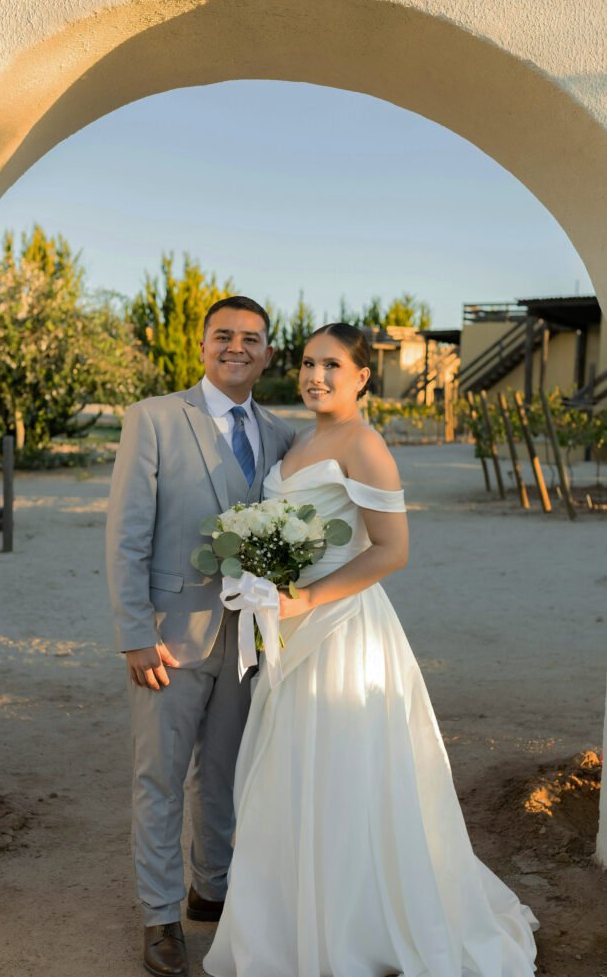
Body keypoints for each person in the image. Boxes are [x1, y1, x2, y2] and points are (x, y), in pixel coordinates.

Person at [204, 322, 539, 977]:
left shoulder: (362, 442)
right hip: (288, 636)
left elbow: (392, 550)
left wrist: (303, 598)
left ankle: (355, 929)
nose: (314, 376)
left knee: (345, 778)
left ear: (361, 377)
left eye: (331, 365)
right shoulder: (301, 440)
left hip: (342, 634)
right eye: (305, 363)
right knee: (291, 776)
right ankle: (299, 923)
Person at [106, 296, 295, 977]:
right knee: (158, 777)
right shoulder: (154, 419)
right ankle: (159, 919)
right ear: (201, 346)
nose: (235, 347)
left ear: (268, 353)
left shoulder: (280, 434)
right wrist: (133, 633)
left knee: (224, 774)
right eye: (223, 336)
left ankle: (210, 888)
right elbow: (126, 532)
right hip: (168, 635)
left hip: (250, 639)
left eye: (251, 338)